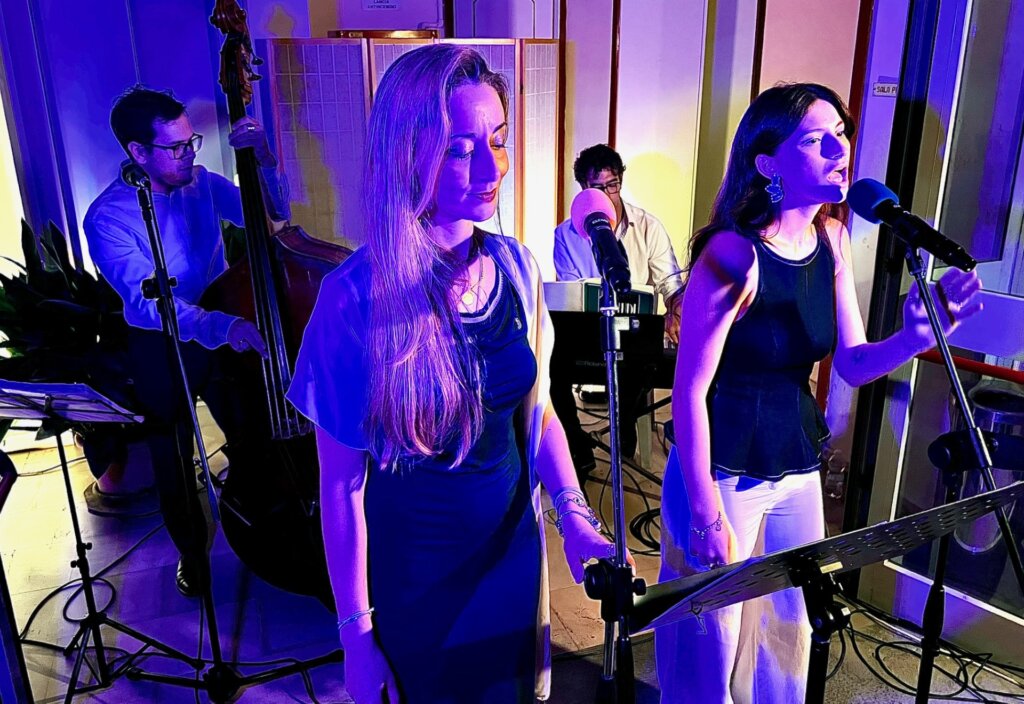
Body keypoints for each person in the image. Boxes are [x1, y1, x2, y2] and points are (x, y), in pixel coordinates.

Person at [286, 45, 618, 704]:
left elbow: (540, 414)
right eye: (461, 149)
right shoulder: (354, 298)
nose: (492, 167)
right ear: (408, 154)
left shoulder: (518, 268)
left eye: (498, 140)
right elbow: (341, 488)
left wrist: (576, 517)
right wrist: (357, 638)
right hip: (418, 587)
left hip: (511, 563)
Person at [655, 83, 982, 704]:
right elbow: (689, 391)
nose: (840, 150)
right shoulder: (732, 253)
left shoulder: (830, 239)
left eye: (841, 134)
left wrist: (914, 336)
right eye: (816, 139)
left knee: (789, 628)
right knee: (711, 634)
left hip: (797, 464)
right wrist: (704, 512)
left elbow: (853, 365)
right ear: (768, 163)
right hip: (721, 470)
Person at [83, 86, 289, 597]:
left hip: (221, 322)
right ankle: (193, 554)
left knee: (249, 431)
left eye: (190, 142)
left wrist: (264, 161)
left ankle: (264, 527)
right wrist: (223, 327)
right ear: (137, 151)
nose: (188, 155)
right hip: (160, 342)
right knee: (173, 455)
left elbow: (272, 220)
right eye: (175, 147)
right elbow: (150, 305)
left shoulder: (203, 183)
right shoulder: (107, 217)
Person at [552, 144, 684, 476]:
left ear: (621, 181)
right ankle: (577, 447)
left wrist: (675, 308)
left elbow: (671, 283)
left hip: (634, 339)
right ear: (583, 187)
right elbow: (572, 294)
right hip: (587, 335)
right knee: (552, 373)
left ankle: (624, 440)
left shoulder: (648, 226)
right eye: (597, 187)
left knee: (637, 372)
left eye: (612, 185)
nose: (607, 195)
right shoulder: (566, 235)